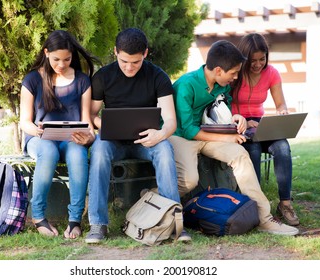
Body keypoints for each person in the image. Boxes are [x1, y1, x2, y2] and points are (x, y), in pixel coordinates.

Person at [169, 40, 299, 235]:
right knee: (189, 180)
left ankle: (264, 218)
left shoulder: (222, 85)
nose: (237, 77)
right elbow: (188, 130)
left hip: (209, 135)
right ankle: (155, 197)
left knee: (240, 154)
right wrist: (227, 138)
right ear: (219, 70)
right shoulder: (186, 85)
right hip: (182, 137)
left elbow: (224, 110)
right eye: (234, 73)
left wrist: (236, 118)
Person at [85, 27, 191, 243]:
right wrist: (102, 124)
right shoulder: (103, 77)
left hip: (147, 141)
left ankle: (173, 224)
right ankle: (98, 224)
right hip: (113, 141)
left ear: (145, 53)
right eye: (124, 61)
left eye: (135, 62)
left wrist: (160, 134)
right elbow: (91, 115)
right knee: (98, 151)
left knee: (164, 150)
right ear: (115, 52)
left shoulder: (158, 76)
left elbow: (171, 121)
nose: (129, 67)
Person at [20, 30, 97, 238]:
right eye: (56, 59)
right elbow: (24, 122)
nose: (61, 65)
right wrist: (37, 130)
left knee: (78, 154)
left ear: (72, 56)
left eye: (67, 59)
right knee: (49, 152)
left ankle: (74, 220)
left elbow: (87, 122)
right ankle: (38, 216)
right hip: (39, 138)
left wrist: (89, 137)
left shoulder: (82, 81)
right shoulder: (32, 80)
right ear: (46, 53)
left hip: (70, 139)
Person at [231, 33, 299, 226]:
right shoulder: (235, 74)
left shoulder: (272, 73)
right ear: (244, 58)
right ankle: (257, 206)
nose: (258, 64)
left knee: (282, 148)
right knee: (252, 151)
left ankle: (285, 203)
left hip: (261, 124)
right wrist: (241, 121)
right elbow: (224, 103)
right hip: (238, 125)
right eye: (253, 60)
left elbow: (280, 104)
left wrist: (283, 112)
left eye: (262, 59)